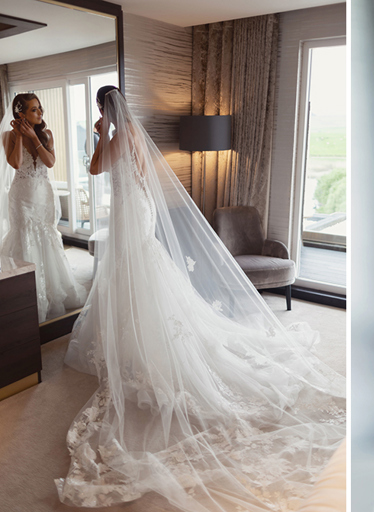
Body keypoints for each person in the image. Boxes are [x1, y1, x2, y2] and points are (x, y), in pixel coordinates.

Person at [55, 86, 345, 511]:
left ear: (104, 109)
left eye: (102, 111)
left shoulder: (117, 135)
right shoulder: (135, 132)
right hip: (136, 208)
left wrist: (99, 133)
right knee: (138, 269)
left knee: (134, 270)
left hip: (130, 210)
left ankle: (141, 344)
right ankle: (130, 335)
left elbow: (97, 168)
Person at [0, 93, 85, 322]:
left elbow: (49, 162)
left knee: (47, 237)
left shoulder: (46, 134)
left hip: (43, 195)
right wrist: (19, 136)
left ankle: (52, 293)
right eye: (34, 110)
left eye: (40, 108)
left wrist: (33, 137)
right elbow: (16, 163)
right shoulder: (8, 135)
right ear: (21, 114)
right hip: (21, 197)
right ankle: (26, 296)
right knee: (25, 237)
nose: (40, 112)